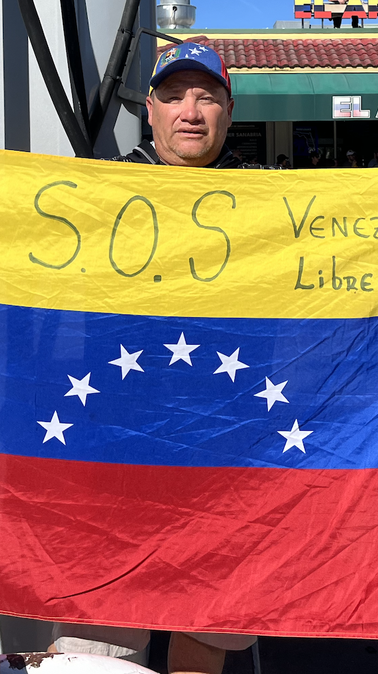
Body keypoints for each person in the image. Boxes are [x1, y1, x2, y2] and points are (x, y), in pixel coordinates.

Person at [91, 41, 261, 673]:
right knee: (97, 642)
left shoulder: (271, 196)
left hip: (229, 447)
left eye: (206, 97)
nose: (190, 111)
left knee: (205, 636)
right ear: (150, 109)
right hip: (110, 441)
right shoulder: (98, 190)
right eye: (173, 96)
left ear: (228, 111)